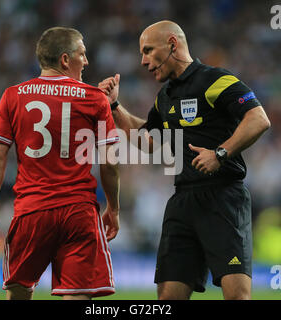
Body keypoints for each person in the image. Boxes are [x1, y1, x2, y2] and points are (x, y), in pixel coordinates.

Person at [99, 20, 271, 300]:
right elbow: (149, 142)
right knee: (167, 298)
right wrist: (115, 108)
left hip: (223, 198)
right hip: (183, 202)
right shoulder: (164, 97)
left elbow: (258, 118)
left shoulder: (216, 79)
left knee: (237, 296)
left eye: (147, 50)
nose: (142, 61)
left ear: (172, 44)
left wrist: (220, 153)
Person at [0, 27, 120, 300]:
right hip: (78, 213)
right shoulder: (94, 99)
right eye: (83, 54)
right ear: (66, 60)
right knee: (78, 295)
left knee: (18, 293)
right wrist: (113, 208)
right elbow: (110, 163)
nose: (87, 61)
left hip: (31, 211)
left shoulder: (13, 95)